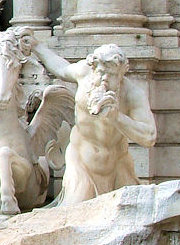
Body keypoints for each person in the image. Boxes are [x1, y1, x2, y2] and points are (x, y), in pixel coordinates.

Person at [32, 42, 157, 207]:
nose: (104, 79)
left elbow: (149, 137)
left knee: (127, 215)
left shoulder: (132, 94)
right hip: (81, 162)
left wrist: (116, 117)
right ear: (93, 68)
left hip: (117, 163)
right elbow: (60, 68)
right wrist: (36, 46)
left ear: (121, 74)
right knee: (76, 213)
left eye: (111, 75)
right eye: (100, 72)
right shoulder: (84, 73)